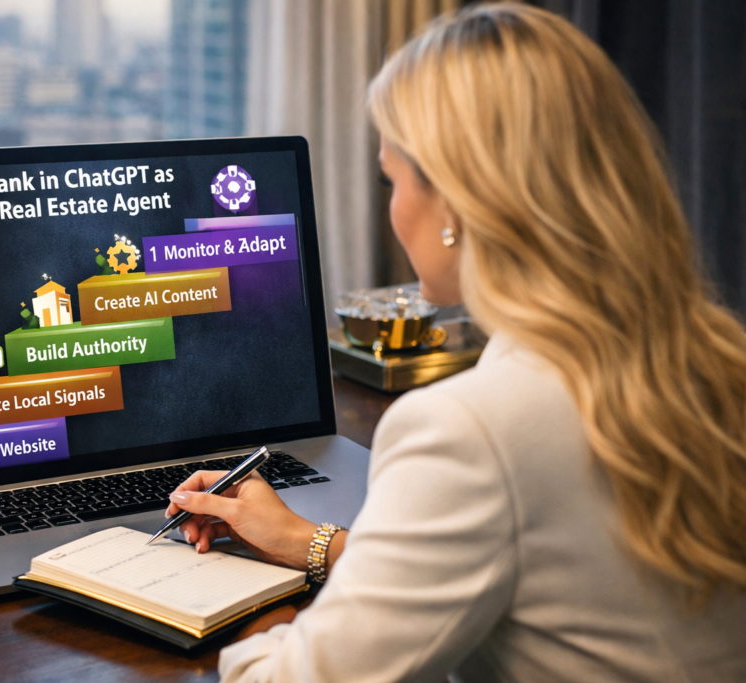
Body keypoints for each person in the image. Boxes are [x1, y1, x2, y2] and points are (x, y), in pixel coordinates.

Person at [163, 4, 746, 681]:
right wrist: (313, 543)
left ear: (456, 203)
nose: (392, 208)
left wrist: (211, 618)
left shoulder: (469, 430)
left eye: (393, 179)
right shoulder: (715, 357)